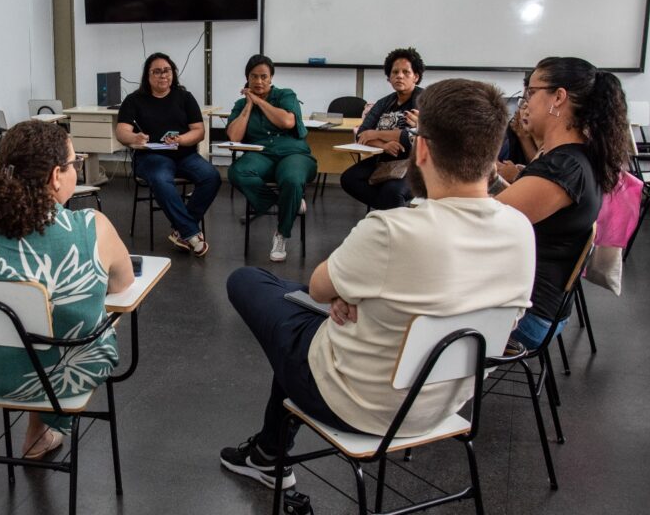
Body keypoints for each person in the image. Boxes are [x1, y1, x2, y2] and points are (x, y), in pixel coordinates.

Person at [219, 78, 535, 490]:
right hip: (445, 408)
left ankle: (269, 457)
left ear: (420, 148)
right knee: (307, 331)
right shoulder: (521, 230)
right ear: (494, 154)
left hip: (359, 406)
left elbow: (318, 289)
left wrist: (351, 297)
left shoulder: (393, 230)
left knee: (251, 283)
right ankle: (267, 453)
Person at [0, 119, 134, 460]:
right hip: (67, 377)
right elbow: (123, 285)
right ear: (55, 176)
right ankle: (40, 430)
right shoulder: (93, 227)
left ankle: (39, 431)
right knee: (104, 316)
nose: (75, 171)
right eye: (73, 164)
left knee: (33, 324)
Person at [495, 57, 629, 350]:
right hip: (535, 304)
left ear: (558, 97)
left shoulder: (565, 168)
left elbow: (482, 223)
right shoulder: (571, 159)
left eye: (531, 92)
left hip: (529, 316)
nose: (525, 103)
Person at [115, 52, 221, 256]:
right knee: (161, 178)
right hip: (150, 157)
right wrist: (134, 138)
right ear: (147, 76)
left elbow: (199, 131)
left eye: (167, 70)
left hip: (184, 154)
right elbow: (121, 131)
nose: (163, 75)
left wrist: (181, 140)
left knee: (211, 177)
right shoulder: (134, 100)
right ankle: (190, 233)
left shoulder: (185, 97)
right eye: (157, 72)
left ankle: (182, 230)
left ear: (173, 73)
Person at [226, 54, 317, 262]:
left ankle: (282, 234)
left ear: (271, 78)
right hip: (262, 155)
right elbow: (234, 136)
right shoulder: (241, 104)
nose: (258, 82)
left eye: (263, 77)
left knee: (292, 179)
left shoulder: (285, 95)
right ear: (247, 78)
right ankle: (288, 204)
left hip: (293, 154)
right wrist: (249, 105)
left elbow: (286, 122)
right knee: (237, 172)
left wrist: (259, 101)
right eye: (254, 77)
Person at [340, 47, 425, 210]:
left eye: (406, 72)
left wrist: (376, 133)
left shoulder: (423, 100)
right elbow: (362, 134)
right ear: (389, 78)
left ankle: (390, 221)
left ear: (416, 77)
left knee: (392, 191)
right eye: (395, 72)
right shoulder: (384, 102)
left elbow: (408, 138)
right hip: (385, 159)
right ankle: (390, 214)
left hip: (415, 164)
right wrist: (383, 145)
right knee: (349, 179)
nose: (399, 76)